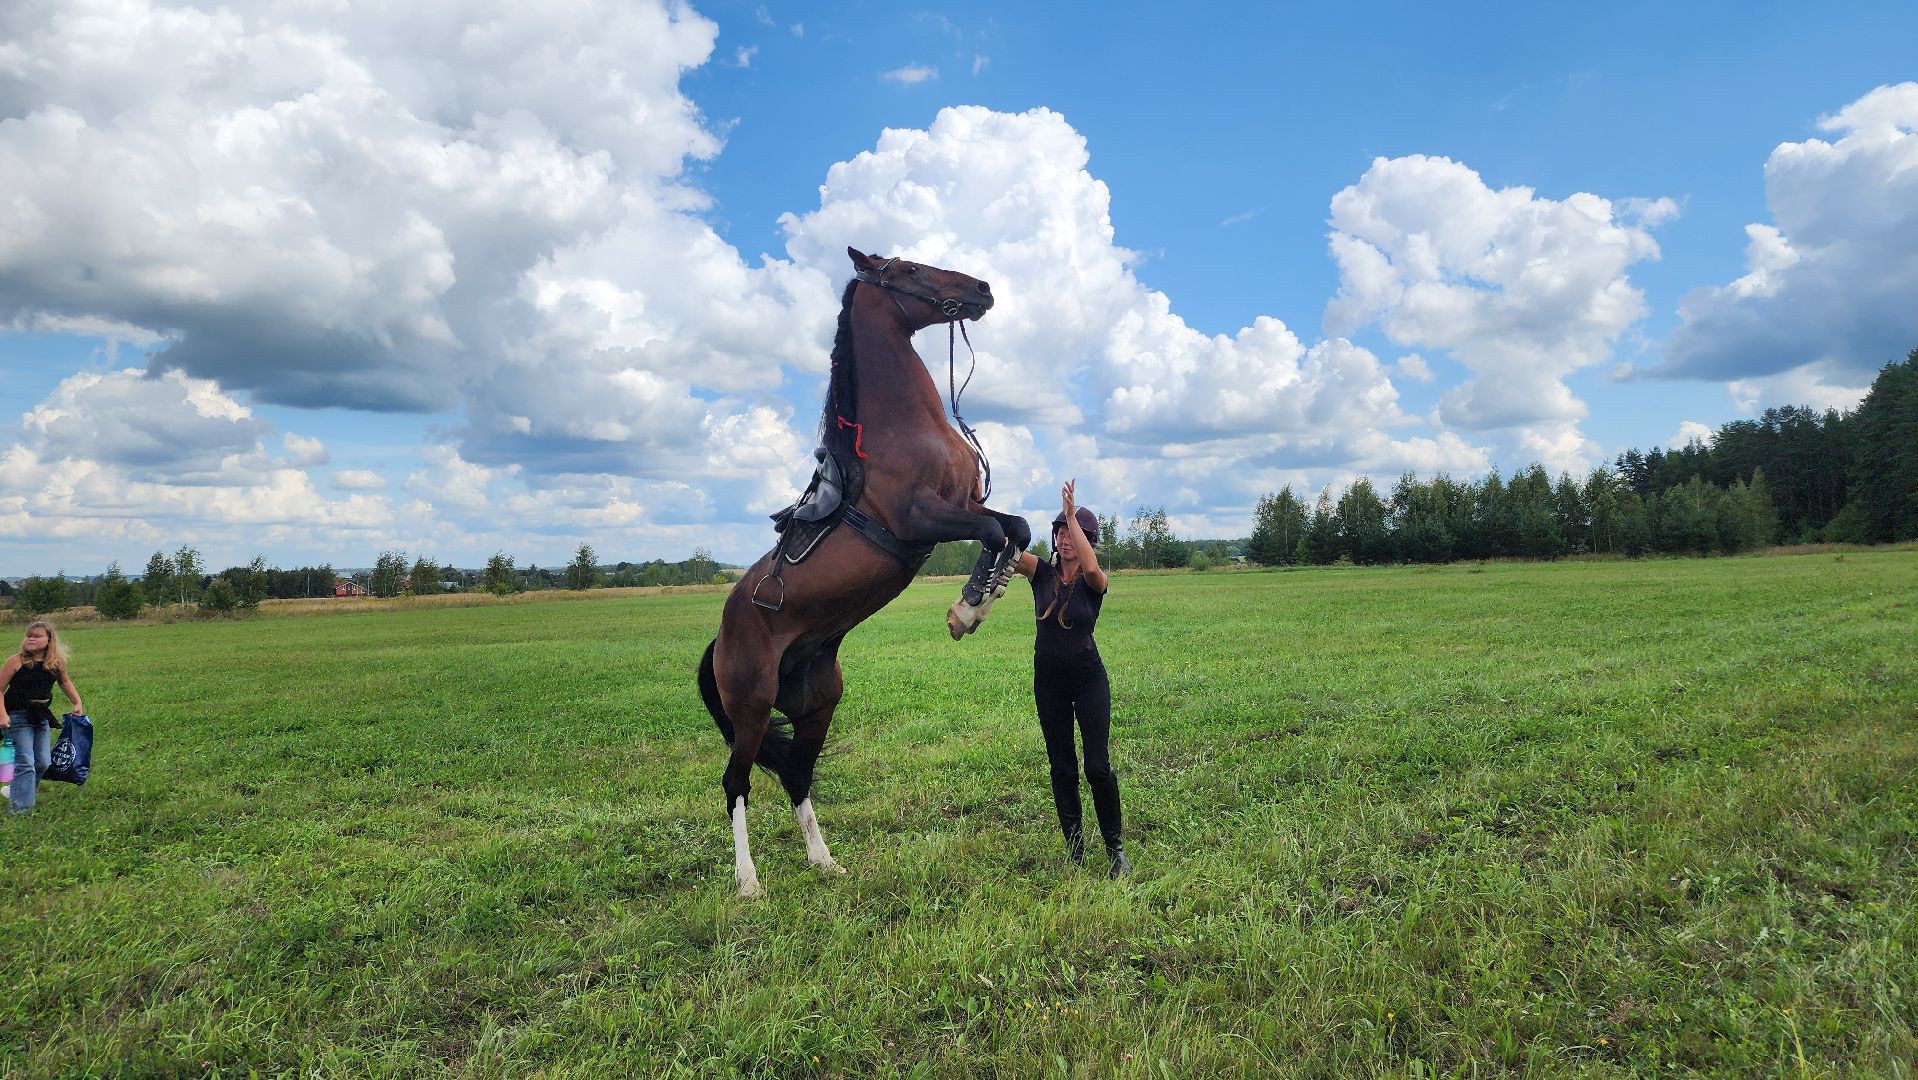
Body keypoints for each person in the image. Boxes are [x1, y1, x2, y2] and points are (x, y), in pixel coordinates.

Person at [1013, 480, 1130, 878]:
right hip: (1049, 682)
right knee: (1062, 767)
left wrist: (1071, 514)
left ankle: (1116, 851)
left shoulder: (1095, 582)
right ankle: (1075, 849)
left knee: (1096, 767)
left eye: (1073, 532)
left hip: (1088, 679)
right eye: (1060, 531)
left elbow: (1092, 567)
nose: (1065, 538)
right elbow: (1009, 554)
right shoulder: (1040, 574)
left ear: (1087, 540)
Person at [1, 621, 83, 816]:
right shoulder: (16, 661)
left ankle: (16, 790)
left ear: (48, 640)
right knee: (26, 762)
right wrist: (2, 715)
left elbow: (65, 681)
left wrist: (77, 702)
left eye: (37, 636)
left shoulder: (55, 663)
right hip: (16, 716)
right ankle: (20, 810)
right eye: (29, 635)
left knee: (43, 762)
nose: (31, 638)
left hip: (40, 715)